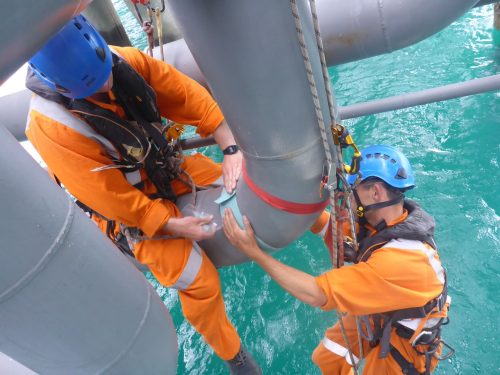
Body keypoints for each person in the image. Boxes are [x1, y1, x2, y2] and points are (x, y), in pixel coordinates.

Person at [25, 15, 260, 374]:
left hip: (165, 168)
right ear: (62, 86)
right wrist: (175, 226)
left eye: (106, 74)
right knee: (200, 280)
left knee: (250, 183)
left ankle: (325, 226)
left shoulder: (122, 60)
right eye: (93, 88)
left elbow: (182, 93)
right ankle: (234, 356)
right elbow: (110, 200)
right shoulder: (51, 128)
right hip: (131, 213)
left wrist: (228, 145)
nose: (106, 86)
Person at [224, 145, 452, 375]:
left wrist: (255, 253)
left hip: (406, 340)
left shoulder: (399, 261)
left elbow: (317, 293)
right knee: (329, 356)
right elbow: (331, 230)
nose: (347, 195)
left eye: (353, 188)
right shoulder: (385, 222)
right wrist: (293, 206)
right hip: (387, 311)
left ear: (375, 193)